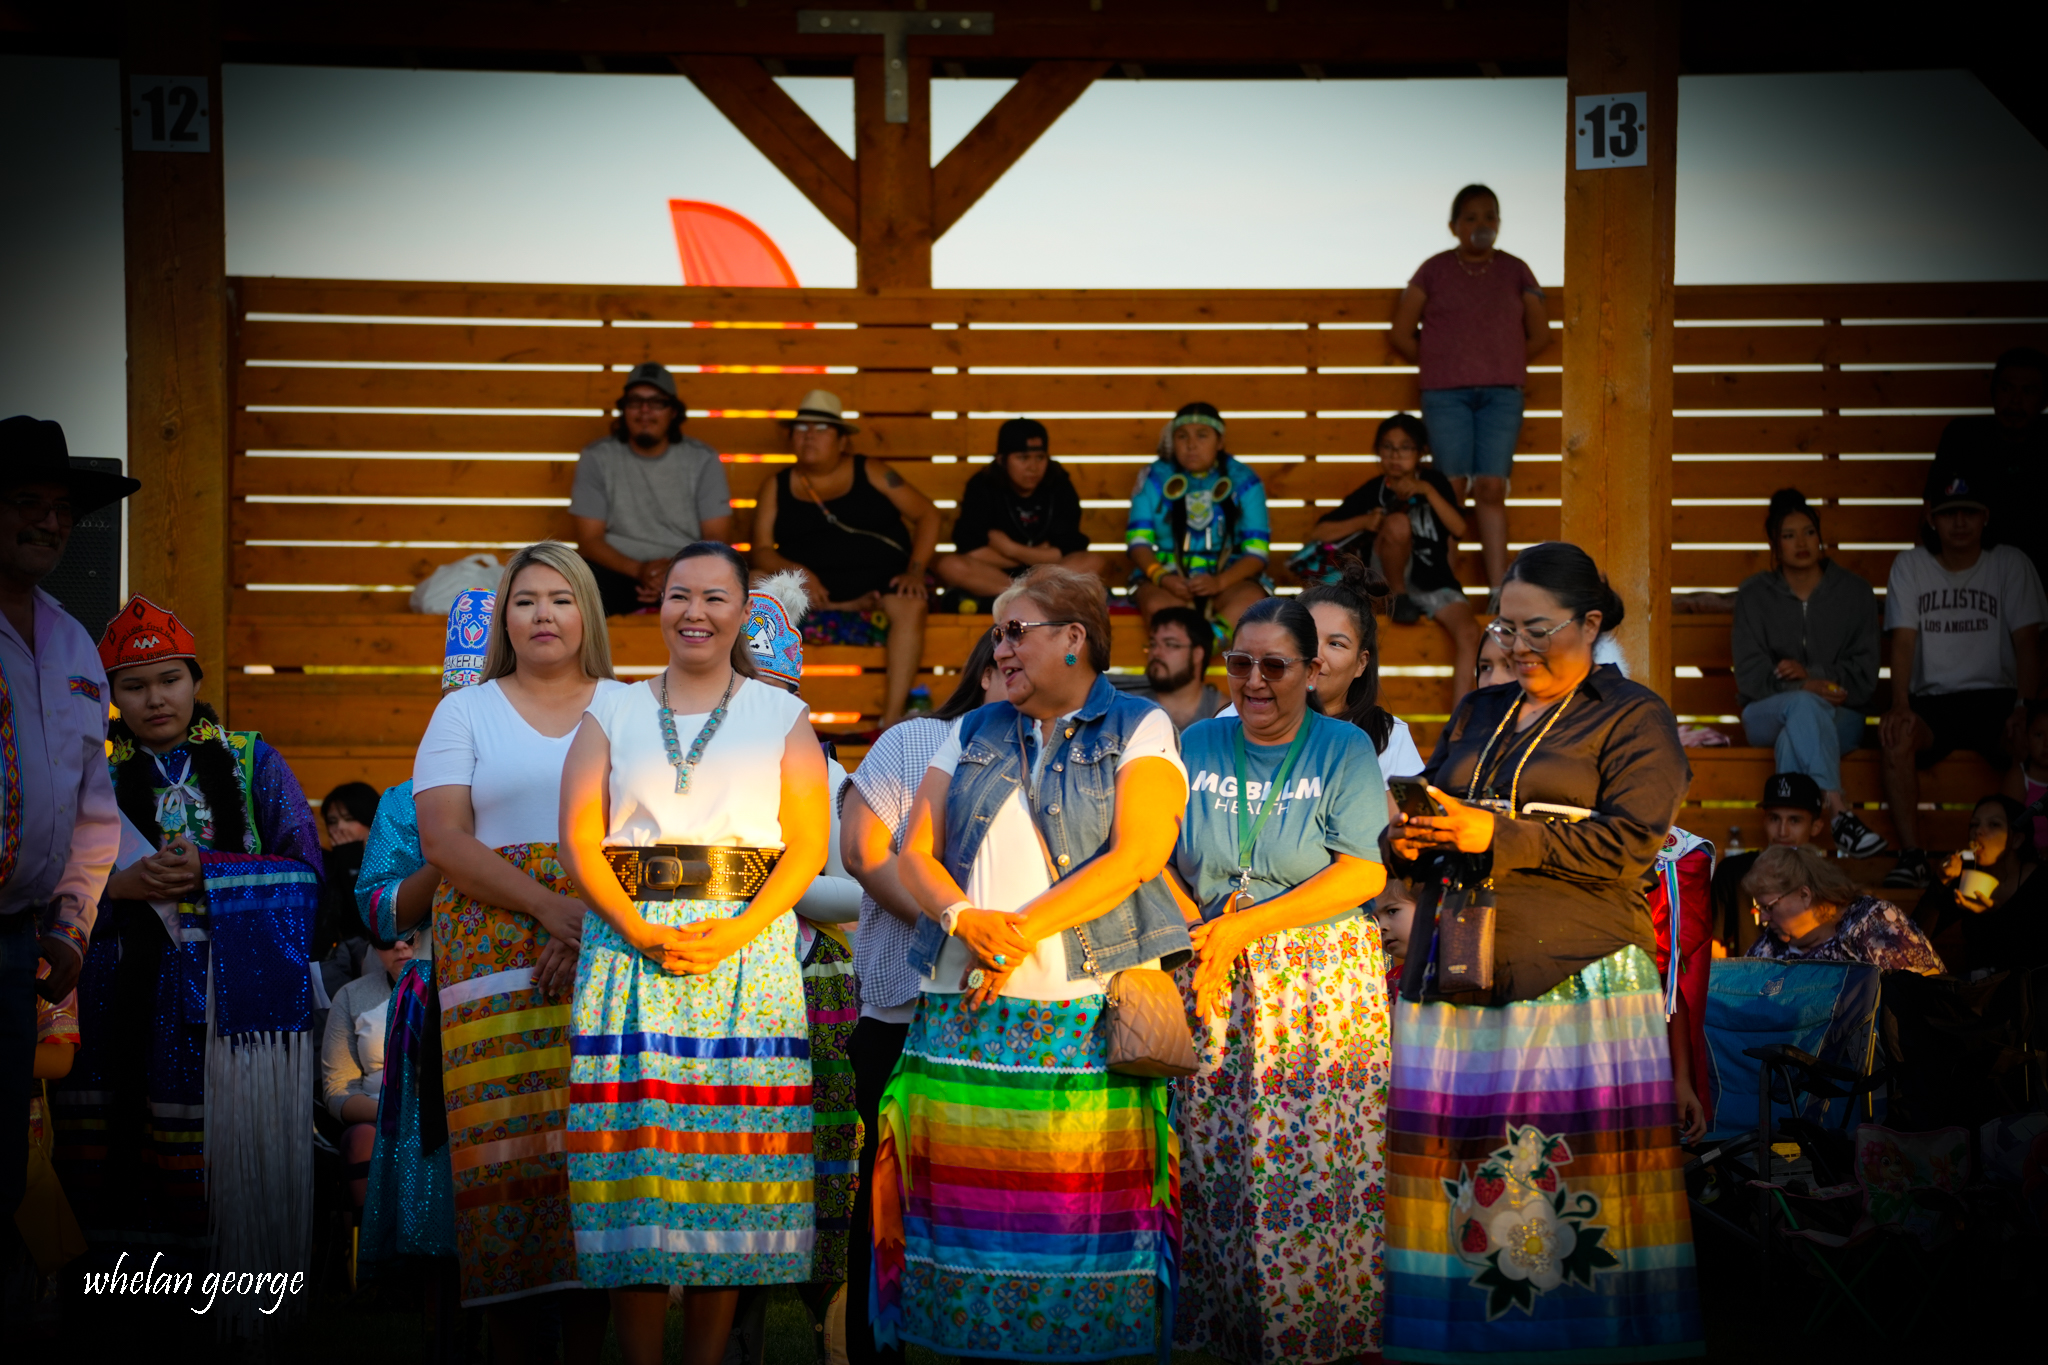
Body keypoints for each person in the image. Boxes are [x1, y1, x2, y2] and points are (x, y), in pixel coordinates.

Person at [1385, 542, 1701, 1361]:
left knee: (1569, 1183)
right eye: (1505, 629)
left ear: (1590, 624)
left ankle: (1585, 1346)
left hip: (1575, 982)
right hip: (1459, 970)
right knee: (1461, 1175)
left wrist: (1496, 833)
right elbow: (1445, 815)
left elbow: (1630, 845)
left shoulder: (1633, 715)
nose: (1517, 647)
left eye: (1537, 630)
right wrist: (1410, 838)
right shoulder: (1479, 711)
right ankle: (1459, 1344)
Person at [877, 565, 1193, 1362]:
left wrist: (1012, 934)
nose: (1000, 648)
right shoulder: (971, 728)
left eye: (1015, 631)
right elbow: (913, 852)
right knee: (966, 1218)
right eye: (997, 634)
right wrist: (963, 919)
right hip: (962, 1009)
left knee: (1074, 1215)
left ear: (1073, 637)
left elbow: (1137, 856)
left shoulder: (1142, 725)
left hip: (1081, 1014)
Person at [556, 541, 828, 1365]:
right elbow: (578, 838)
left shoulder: (781, 715)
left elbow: (808, 847)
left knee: (728, 1164)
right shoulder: (611, 709)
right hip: (629, 948)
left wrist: (741, 929)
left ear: (744, 611)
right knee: (635, 1163)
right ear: (660, 606)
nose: (695, 612)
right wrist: (635, 927)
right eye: (680, 595)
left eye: (715, 597)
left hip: (746, 952)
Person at [58, 595, 325, 1287]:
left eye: (170, 679)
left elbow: (307, 871)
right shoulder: (87, 772)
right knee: (111, 1144)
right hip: (114, 995)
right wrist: (119, 887)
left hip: (224, 998)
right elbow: (45, 879)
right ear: (110, 696)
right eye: (134, 685)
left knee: (212, 1150)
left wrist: (215, 871)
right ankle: (114, 1296)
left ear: (197, 681)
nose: (155, 699)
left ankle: (225, 1291)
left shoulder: (251, 760)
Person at [1168, 598, 1392, 1363]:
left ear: (1312, 669)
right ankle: (1218, 1332)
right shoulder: (1197, 741)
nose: (1254, 680)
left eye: (1274, 665)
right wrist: (1201, 930)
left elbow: (1362, 871)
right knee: (1213, 1163)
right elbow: (1154, 853)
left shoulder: (1344, 747)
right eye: (1241, 663)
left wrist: (1243, 928)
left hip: (1317, 982)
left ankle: (1319, 1332)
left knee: (1311, 1166)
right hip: (1212, 969)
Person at [413, 542, 621, 1354]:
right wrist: (547, 907)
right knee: (502, 1160)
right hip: (492, 958)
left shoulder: (630, 707)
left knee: (595, 1153)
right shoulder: (464, 711)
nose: (543, 614)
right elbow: (443, 838)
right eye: (526, 599)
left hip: (605, 950)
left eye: (561, 599)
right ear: (503, 618)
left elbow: (645, 833)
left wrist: (586, 921)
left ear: (587, 614)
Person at [838, 628, 1003, 1365]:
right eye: (1003, 659)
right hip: (905, 1009)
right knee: (885, 1196)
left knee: (992, 1200)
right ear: (984, 669)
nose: (1015, 673)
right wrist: (953, 931)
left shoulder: (1061, 756)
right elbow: (861, 851)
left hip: (1008, 1016)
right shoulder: (915, 740)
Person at [0, 416, 127, 1229]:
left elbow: (92, 807)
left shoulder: (76, 642)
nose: (50, 521)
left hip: (20, 940)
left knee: (6, 1163)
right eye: (28, 501)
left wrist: (71, 924)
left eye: (63, 509)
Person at [741, 569, 867, 1338]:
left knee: (821, 1159)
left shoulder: (826, 772)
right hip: (716, 976)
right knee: (733, 1156)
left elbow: (858, 892)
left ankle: (832, 1328)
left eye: (776, 691)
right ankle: (735, 1333)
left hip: (809, 981)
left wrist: (776, 885)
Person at [1881, 472, 2046, 887]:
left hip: (1997, 697)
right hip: (1933, 700)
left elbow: (2028, 643)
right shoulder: (1911, 565)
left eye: (1969, 513)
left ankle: (2011, 858)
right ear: (1930, 517)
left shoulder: (2010, 563)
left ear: (1985, 516)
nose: (1959, 523)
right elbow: (1902, 642)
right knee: (1896, 736)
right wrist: (1899, 704)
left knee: (2027, 737)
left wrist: (2024, 707)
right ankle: (1913, 857)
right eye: (1948, 513)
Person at [1389, 185, 1551, 601]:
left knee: (1492, 488)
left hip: (1502, 395)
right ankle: (1445, 588)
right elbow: (1402, 333)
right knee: (1452, 488)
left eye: (1490, 216)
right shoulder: (1433, 270)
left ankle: (1500, 590)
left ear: (1499, 223)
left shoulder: (1517, 270)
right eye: (1471, 217)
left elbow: (1540, 334)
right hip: (1445, 395)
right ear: (1454, 226)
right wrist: (1443, 364)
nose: (1482, 224)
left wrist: (1501, 362)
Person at [750, 389, 941, 727]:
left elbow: (928, 514)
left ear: (842, 441)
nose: (809, 435)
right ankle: (770, 710)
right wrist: (801, 572)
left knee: (911, 604)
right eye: (801, 428)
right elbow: (761, 549)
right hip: (810, 588)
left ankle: (890, 720)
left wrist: (915, 571)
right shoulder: (776, 485)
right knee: (754, 584)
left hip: (878, 582)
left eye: (821, 428)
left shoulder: (872, 471)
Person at [1732, 489, 1885, 857]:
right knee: (1801, 706)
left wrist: (1813, 674)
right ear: (1775, 543)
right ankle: (1839, 812)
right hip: (1766, 713)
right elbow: (1751, 679)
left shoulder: (1855, 592)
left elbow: (1864, 677)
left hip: (1841, 716)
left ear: (1820, 536)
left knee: (1793, 736)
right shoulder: (1753, 595)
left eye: (1809, 532)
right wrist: (1808, 686)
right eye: (1789, 535)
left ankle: (1788, 857)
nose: (1801, 543)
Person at [1302, 414, 1483, 699]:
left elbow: (1459, 528)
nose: (1395, 455)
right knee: (1397, 524)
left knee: (1470, 632)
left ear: (1421, 452)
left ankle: (1461, 718)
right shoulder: (1374, 490)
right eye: (1387, 447)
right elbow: (1320, 531)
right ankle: (1398, 597)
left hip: (1433, 581)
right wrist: (1364, 521)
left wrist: (1427, 491)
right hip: (1383, 585)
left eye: (1405, 448)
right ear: (1378, 451)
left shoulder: (1434, 483)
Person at [570, 362, 737, 617]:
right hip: (618, 571)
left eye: (657, 402)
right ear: (624, 409)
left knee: (723, 580)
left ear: (673, 411)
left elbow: (717, 538)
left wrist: (675, 574)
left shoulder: (702, 459)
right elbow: (590, 540)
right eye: (635, 401)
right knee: (572, 585)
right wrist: (640, 571)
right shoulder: (597, 457)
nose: (645, 410)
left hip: (689, 574)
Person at [1127, 402, 1272, 627]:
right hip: (1168, 578)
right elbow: (1138, 542)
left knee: (1249, 605)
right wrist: (1162, 577)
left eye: (1202, 435)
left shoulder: (1244, 480)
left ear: (1220, 442)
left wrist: (1219, 582)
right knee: (1159, 607)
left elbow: (1257, 552)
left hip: (1229, 578)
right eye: (1182, 436)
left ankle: (1202, 644)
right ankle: (1190, 644)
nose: (1191, 445)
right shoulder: (1153, 478)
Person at [933, 417, 1104, 599]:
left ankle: (1021, 595)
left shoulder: (1058, 482)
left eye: (1040, 457)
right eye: (1023, 458)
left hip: (1046, 575)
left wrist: (1010, 548)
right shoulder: (982, 485)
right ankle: (1027, 595)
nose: (1033, 467)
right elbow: (972, 550)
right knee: (949, 565)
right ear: (1002, 460)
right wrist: (1039, 555)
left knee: (1094, 561)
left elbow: (1067, 548)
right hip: (997, 576)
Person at [1298, 553, 1428, 783]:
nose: (1316, 655)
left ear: (1361, 663)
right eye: (1307, 637)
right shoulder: (1244, 717)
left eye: (1336, 644)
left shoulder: (1389, 736)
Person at [1928, 347, 2048, 586]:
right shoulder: (1963, 438)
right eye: (2006, 389)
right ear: (1992, 393)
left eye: (2028, 391)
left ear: (2044, 400)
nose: (2015, 400)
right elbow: (1929, 518)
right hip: (1969, 583)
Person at [321, 927, 420, 1216]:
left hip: (446, 1112)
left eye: (410, 935)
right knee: (361, 1141)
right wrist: (393, 1112)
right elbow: (338, 1090)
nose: (400, 946)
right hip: (380, 1117)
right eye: (385, 939)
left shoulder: (453, 988)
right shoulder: (351, 996)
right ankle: (375, 1239)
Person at [1742, 844, 1944, 975]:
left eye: (1768, 907)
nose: (1763, 918)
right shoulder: (1770, 945)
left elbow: (1925, 992)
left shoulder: (1871, 924)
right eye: (1759, 907)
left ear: (1804, 895)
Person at [1709, 772, 1830, 959]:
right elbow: (1714, 944)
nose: (1782, 831)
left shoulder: (1826, 879)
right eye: (1774, 818)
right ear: (1764, 820)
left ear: (1816, 826)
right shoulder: (1733, 871)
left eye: (1794, 820)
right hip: (1747, 976)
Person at [1925, 794, 2048, 972]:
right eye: (1974, 824)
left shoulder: (2040, 883)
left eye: (1994, 824)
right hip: (1978, 986)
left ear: (2016, 840)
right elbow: (1916, 934)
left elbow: (2034, 956)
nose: (1978, 831)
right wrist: (1941, 881)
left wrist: (1995, 914)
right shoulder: (1967, 878)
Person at [1136, 604, 1228, 732]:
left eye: (1170, 644)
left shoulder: (1226, 716)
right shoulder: (1132, 712)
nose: (1156, 652)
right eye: (1153, 644)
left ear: (1197, 654)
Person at [2010, 701, 2048, 849]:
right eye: (2039, 735)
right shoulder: (2019, 778)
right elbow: (2009, 829)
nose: (2046, 744)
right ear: (2026, 738)